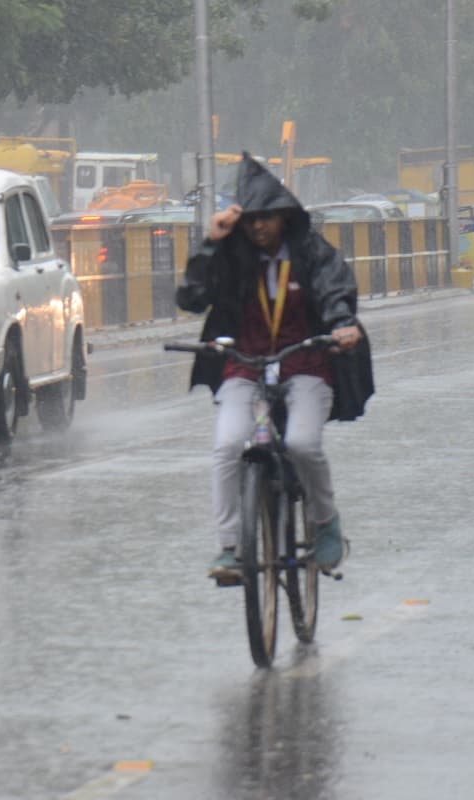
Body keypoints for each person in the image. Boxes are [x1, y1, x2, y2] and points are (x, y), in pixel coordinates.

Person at [176, 153, 374, 580]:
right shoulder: (230, 254)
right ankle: (230, 548)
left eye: (267, 217)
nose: (259, 227)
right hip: (244, 368)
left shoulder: (310, 251)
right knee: (228, 445)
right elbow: (191, 298)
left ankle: (325, 522)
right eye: (251, 220)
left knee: (303, 444)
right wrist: (210, 243)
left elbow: (334, 289)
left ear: (284, 216)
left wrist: (342, 326)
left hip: (304, 364)